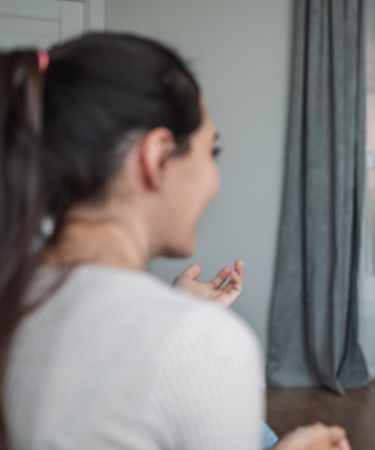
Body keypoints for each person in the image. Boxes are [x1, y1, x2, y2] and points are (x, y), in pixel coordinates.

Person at [0, 33, 348, 450]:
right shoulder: (201, 343)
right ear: (157, 158)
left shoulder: (16, 295)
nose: (215, 180)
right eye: (211, 152)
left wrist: (173, 307)